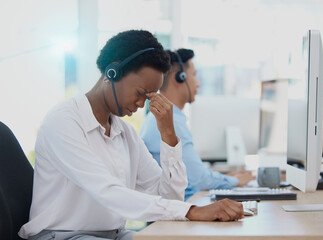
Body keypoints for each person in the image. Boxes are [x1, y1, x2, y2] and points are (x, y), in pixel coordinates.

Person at [19, 31, 245, 240]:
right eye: (139, 93)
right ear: (112, 72)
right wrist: (192, 211)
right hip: (61, 235)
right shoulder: (64, 121)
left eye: (149, 96)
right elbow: (107, 191)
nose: (141, 104)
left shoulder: (123, 131)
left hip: (113, 235)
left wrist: (168, 135)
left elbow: (170, 198)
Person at [140, 48, 255, 200]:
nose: (198, 83)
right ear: (179, 77)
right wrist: (234, 181)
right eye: (194, 75)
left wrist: (224, 178)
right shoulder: (168, 120)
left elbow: (195, 173)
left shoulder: (167, 117)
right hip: (175, 213)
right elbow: (199, 179)